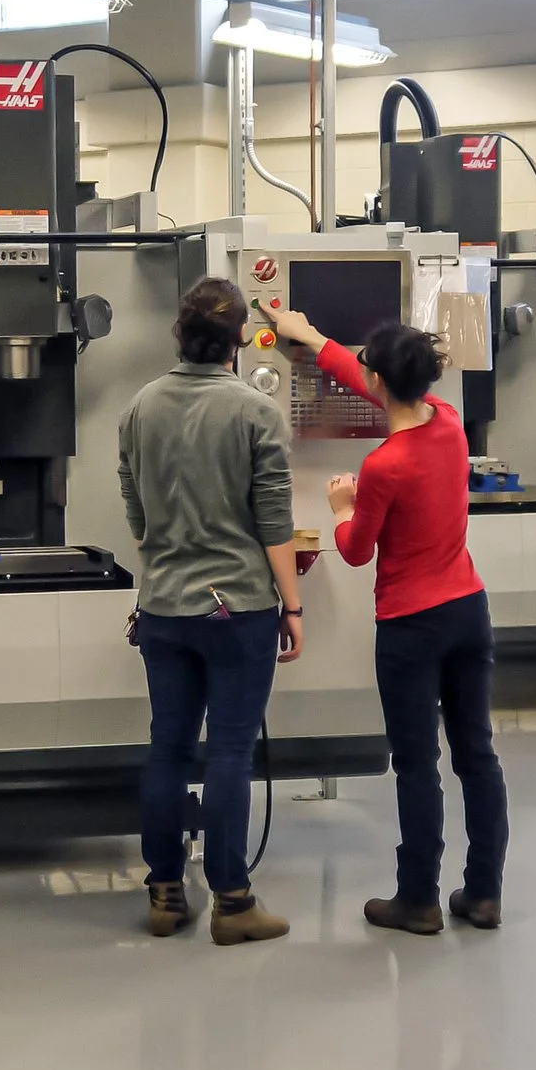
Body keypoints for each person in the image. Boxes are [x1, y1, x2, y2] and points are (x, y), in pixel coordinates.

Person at [259, 303, 507, 935]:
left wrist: (341, 506)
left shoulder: (383, 467)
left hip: (410, 626)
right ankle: (484, 894)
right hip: (468, 611)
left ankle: (418, 899)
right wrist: (313, 338)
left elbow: (356, 550)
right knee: (477, 754)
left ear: (377, 381)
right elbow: (370, 380)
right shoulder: (448, 423)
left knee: (417, 763)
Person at [118, 279, 306, 945]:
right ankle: (233, 901)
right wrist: (293, 605)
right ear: (238, 339)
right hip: (237, 610)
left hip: (163, 608)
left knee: (167, 748)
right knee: (229, 752)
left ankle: (166, 894)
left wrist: (167, 556)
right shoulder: (256, 412)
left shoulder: (140, 407)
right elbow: (275, 523)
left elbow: (136, 511)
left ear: (181, 333)